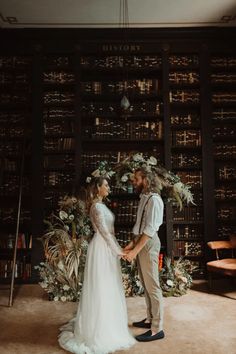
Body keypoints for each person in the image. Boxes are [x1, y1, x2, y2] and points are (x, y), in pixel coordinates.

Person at [58, 177, 136, 354]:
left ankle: (109, 322)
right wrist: (118, 251)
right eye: (106, 185)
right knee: (101, 285)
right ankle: (99, 329)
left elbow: (111, 233)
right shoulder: (96, 207)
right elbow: (104, 233)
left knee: (109, 285)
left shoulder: (101, 205)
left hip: (108, 247)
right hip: (102, 248)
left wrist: (117, 249)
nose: (109, 187)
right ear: (98, 188)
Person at [123, 167, 165, 342]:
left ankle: (157, 329)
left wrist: (134, 251)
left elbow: (148, 231)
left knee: (153, 285)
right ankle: (150, 319)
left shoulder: (155, 200)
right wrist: (130, 245)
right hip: (141, 242)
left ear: (146, 180)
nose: (134, 182)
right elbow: (139, 227)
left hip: (148, 244)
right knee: (146, 285)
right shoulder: (144, 197)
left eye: (136, 179)